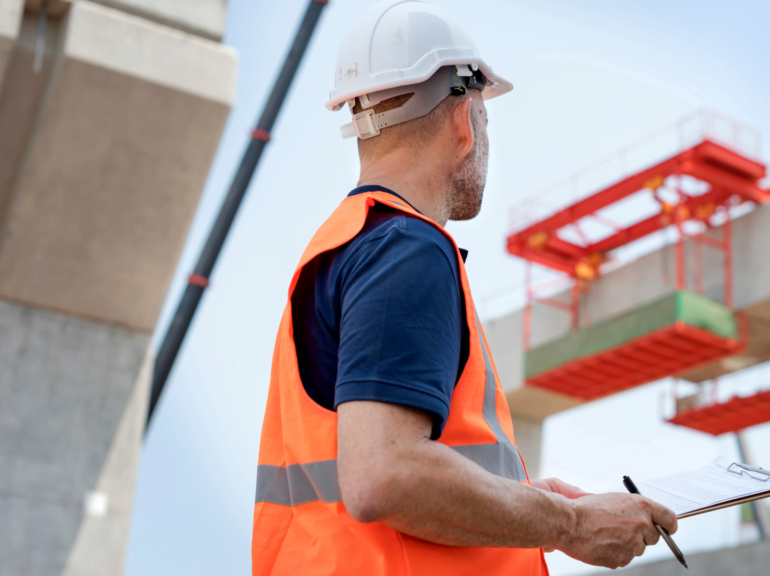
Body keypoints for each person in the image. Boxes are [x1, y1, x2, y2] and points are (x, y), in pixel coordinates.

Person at [252, 2, 677, 574]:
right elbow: (385, 474)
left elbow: (381, 466)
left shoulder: (341, 247)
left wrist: (531, 499)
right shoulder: (407, 248)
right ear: (462, 119)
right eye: (485, 118)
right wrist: (571, 524)